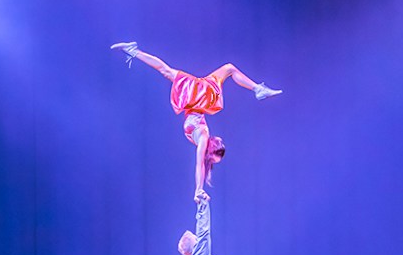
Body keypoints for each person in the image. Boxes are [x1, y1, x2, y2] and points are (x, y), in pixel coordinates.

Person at [109, 43, 281, 200]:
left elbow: (200, 164)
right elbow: (199, 164)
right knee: (175, 71)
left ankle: (134, 51)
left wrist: (199, 189)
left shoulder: (203, 136)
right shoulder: (203, 137)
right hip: (199, 98)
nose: (210, 161)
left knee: (174, 70)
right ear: (210, 150)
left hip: (198, 97)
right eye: (213, 159)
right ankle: (258, 89)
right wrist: (198, 189)